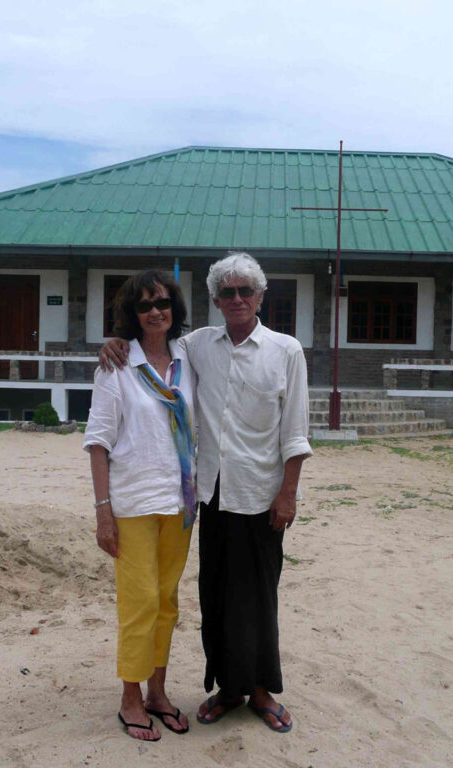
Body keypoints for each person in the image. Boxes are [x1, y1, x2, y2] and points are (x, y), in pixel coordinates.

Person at [100, 252, 312, 733]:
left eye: (245, 291)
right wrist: (113, 342)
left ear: (260, 296)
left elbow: (296, 434)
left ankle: (259, 690)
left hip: (262, 495)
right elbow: (149, 342)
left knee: (259, 596)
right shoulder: (196, 346)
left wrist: (289, 494)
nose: (236, 299)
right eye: (227, 292)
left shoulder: (286, 351)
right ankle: (227, 688)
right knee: (214, 596)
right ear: (215, 300)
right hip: (208, 497)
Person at [84, 270, 197, 742]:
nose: (156, 312)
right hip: (131, 503)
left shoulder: (187, 361)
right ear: (132, 314)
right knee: (140, 602)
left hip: (180, 502)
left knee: (167, 603)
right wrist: (103, 511)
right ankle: (130, 697)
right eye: (145, 305)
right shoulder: (115, 366)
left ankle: (158, 691)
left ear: (175, 309)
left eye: (164, 302)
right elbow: (97, 443)